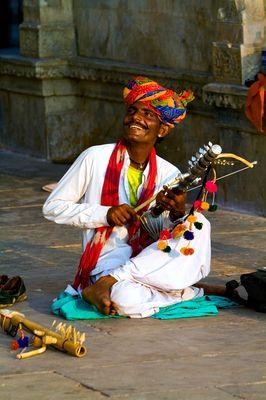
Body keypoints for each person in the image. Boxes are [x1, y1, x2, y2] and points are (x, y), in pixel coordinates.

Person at [43, 76, 226, 318]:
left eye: (148, 114)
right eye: (133, 110)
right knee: (126, 300)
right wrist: (105, 214)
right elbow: (52, 207)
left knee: (199, 224)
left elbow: (162, 233)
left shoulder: (169, 172)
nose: (137, 117)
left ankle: (109, 284)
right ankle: (185, 291)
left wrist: (177, 214)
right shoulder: (94, 158)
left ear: (163, 129)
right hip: (107, 260)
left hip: (151, 261)